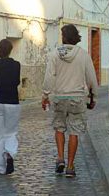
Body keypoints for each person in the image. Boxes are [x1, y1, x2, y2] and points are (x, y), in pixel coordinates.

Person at [42, 24, 98, 178]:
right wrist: (93, 96)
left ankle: (60, 158)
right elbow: (91, 78)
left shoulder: (55, 54)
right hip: (77, 99)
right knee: (74, 131)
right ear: (76, 37)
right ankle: (71, 167)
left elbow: (49, 77)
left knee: (59, 128)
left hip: (59, 97)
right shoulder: (83, 55)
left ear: (63, 37)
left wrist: (45, 95)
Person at [0, 39, 21, 175]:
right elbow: (16, 82)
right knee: (10, 132)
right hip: (12, 102)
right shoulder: (16, 65)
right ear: (10, 50)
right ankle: (9, 154)